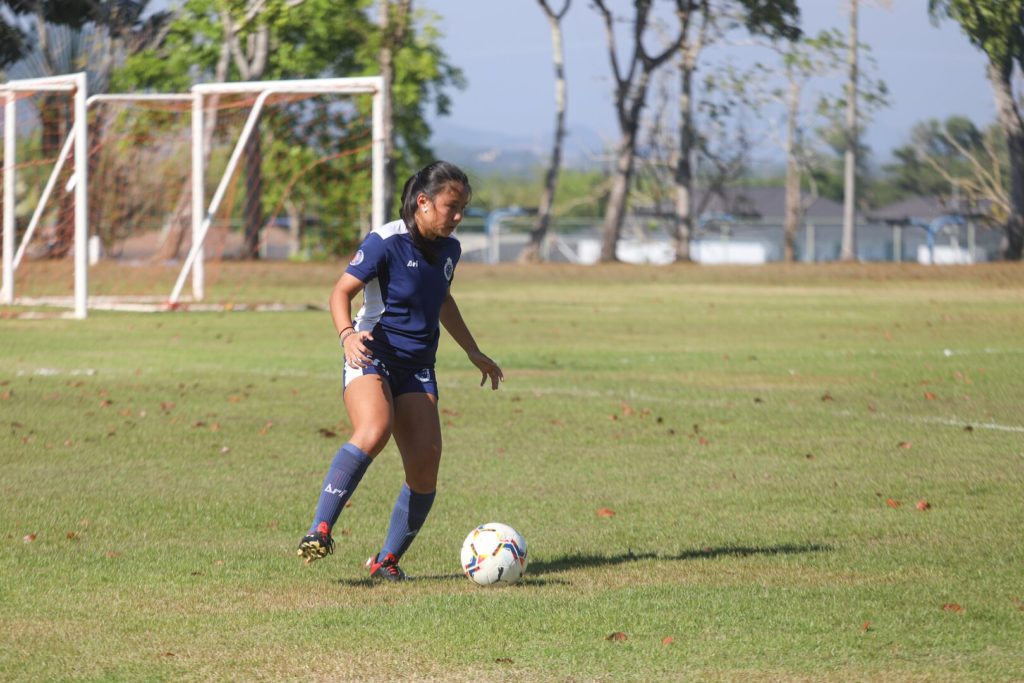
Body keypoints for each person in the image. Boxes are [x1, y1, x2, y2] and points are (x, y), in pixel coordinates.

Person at [298, 160, 504, 581]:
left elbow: (442, 299)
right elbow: (341, 292)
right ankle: (320, 528)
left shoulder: (450, 249)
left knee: (425, 467)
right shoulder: (384, 241)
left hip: (418, 366)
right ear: (423, 202)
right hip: (371, 354)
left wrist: (472, 350)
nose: (458, 216)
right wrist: (346, 335)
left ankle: (386, 560)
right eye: (452, 207)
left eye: (463, 207)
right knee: (375, 428)